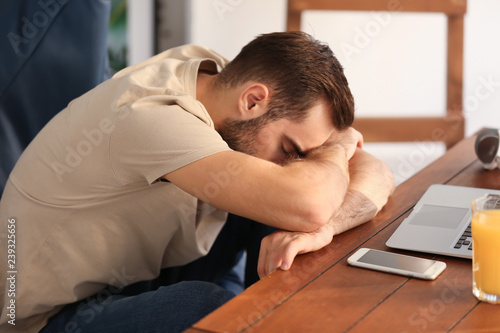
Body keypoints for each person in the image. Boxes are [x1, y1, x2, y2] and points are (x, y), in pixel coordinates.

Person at [0, 31, 394, 333]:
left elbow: (379, 172)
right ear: (254, 100)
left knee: (297, 201)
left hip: (143, 263)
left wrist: (322, 230)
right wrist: (333, 154)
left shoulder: (223, 80)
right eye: (291, 147)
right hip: (52, 315)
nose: (295, 160)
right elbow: (310, 202)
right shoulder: (152, 116)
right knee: (206, 307)